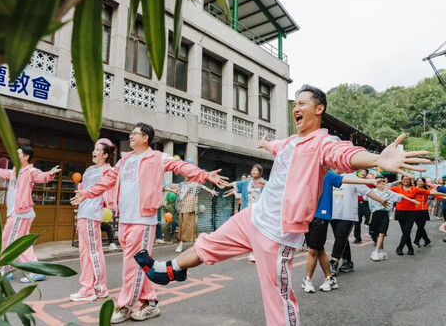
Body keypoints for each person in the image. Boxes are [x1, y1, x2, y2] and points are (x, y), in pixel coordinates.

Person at [134, 84, 430, 326]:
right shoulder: (289, 142)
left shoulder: (323, 143)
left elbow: (345, 155)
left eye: (303, 103)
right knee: (208, 243)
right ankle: (167, 269)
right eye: (295, 104)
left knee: (277, 298)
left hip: (278, 232)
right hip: (254, 216)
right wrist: (266, 145)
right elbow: (276, 146)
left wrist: (378, 159)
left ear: (319, 109)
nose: (296, 108)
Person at [70, 122, 227, 324]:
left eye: (135, 133)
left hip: (142, 220)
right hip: (125, 219)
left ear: (145, 138)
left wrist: (205, 175)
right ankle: (150, 303)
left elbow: (181, 166)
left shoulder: (157, 157)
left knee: (131, 263)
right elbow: (108, 180)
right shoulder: (124, 160)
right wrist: (87, 192)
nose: (131, 136)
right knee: (141, 264)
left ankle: (124, 305)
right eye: (131, 132)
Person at [0, 145, 60, 283]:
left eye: (18, 153)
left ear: (26, 157)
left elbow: (41, 177)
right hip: (19, 213)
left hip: (20, 214)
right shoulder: (15, 171)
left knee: (9, 241)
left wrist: (50, 173)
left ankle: (5, 270)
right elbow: (5, 173)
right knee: (19, 242)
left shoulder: (30, 171)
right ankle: (31, 270)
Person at [302, 171, 385, 293]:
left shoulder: (341, 176)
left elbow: (365, 189)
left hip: (345, 215)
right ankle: (342, 265)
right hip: (330, 215)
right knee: (332, 242)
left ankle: (331, 264)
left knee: (337, 239)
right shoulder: (316, 173)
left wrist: (377, 193)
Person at [70, 138, 115, 302]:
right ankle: (87, 288)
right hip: (83, 213)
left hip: (92, 214)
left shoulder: (108, 171)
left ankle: (100, 288)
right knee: (84, 254)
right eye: (94, 149)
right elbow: (83, 190)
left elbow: (107, 192)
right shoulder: (89, 170)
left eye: (98, 150)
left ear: (105, 155)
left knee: (94, 252)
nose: (94, 152)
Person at [329, 172, 389, 275]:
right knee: (341, 238)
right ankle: (347, 262)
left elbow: (367, 191)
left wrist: (381, 200)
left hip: (347, 214)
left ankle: (334, 261)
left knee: (341, 237)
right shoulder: (329, 176)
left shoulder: (351, 177)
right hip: (332, 214)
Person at [367, 176, 418, 261]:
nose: (382, 184)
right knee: (376, 234)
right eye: (379, 182)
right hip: (374, 214)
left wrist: (412, 201)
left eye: (383, 182)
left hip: (385, 214)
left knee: (382, 233)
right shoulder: (371, 192)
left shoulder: (388, 192)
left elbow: (401, 196)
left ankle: (376, 251)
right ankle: (381, 251)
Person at [223, 164, 266, 262]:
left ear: (260, 172)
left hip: (259, 211)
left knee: (257, 231)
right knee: (249, 231)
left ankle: (255, 252)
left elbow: (273, 188)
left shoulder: (264, 183)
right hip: (248, 209)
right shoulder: (247, 182)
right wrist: (226, 185)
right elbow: (236, 184)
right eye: (252, 170)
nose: (253, 172)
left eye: (256, 170)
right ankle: (254, 250)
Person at [390, 177, 441, 255]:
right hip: (400, 212)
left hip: (411, 212)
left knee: (407, 230)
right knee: (405, 232)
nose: (405, 181)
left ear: (411, 181)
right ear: (401, 180)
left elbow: (429, 192)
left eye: (407, 179)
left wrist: (444, 194)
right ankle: (410, 248)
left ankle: (400, 247)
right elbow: (385, 191)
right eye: (404, 179)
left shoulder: (414, 189)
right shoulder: (396, 188)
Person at [169, 179, 218, 253]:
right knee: (181, 226)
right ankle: (182, 243)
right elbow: (173, 186)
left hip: (189, 208)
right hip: (181, 208)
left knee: (190, 226)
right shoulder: (181, 184)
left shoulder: (194, 185)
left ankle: (191, 243)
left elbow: (203, 187)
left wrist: (211, 191)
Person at [353, 169, 372, 243]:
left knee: (370, 220)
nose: (363, 173)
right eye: (361, 171)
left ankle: (374, 237)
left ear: (367, 174)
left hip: (366, 203)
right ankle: (357, 237)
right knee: (357, 222)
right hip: (357, 203)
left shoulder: (369, 182)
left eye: (365, 172)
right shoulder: (354, 181)